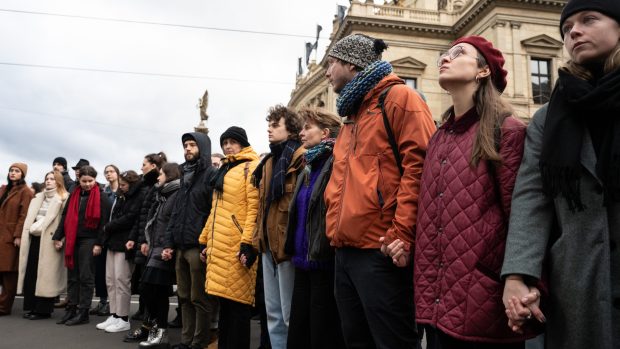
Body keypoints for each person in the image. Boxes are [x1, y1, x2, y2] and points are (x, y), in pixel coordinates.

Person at [501, 1, 620, 348]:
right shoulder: (547, 119)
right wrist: (517, 274)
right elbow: (532, 199)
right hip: (576, 284)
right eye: (566, 29)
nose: (574, 32)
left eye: (589, 19)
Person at [404, 35, 531, 348]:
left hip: (483, 299)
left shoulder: (507, 129)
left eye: (458, 53)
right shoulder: (438, 138)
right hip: (436, 302)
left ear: (483, 71)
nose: (445, 58)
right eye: (443, 55)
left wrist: (523, 280)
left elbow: (524, 217)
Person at [324, 33, 435, 348]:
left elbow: (419, 168)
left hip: (381, 250)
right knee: (356, 340)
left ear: (350, 62)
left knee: (393, 341)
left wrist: (401, 234)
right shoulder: (351, 115)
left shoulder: (400, 98)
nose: (328, 71)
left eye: (331, 63)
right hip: (345, 250)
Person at [284, 108, 345, 349]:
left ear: (325, 132)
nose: (301, 132)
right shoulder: (308, 165)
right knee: (299, 330)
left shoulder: (335, 163)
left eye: (308, 127)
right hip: (302, 262)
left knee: (321, 332)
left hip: (324, 263)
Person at [198, 126, 260, 349]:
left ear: (243, 143)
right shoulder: (226, 168)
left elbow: (254, 208)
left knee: (239, 305)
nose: (227, 146)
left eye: (233, 142)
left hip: (236, 243)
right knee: (225, 303)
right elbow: (216, 210)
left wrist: (247, 244)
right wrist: (205, 241)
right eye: (225, 142)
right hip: (220, 243)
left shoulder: (250, 166)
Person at [250, 105, 305, 349]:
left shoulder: (301, 158)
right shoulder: (269, 162)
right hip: (267, 245)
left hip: (288, 246)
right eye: (269, 125)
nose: (269, 130)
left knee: (290, 312)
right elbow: (262, 208)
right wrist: (255, 240)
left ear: (291, 129)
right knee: (272, 313)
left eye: (275, 125)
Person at [162, 132, 217, 349]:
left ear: (202, 147)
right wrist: (169, 243)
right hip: (181, 246)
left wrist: (206, 244)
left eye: (193, 145)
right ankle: (186, 341)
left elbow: (214, 213)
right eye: (186, 145)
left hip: (198, 247)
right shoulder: (184, 175)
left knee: (199, 298)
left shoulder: (211, 175)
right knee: (183, 297)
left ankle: (199, 341)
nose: (188, 149)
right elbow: (176, 213)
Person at [53, 165, 109, 326]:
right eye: (84, 181)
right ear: (79, 179)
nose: (87, 184)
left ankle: (83, 312)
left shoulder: (102, 197)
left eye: (90, 181)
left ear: (95, 179)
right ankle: (71, 309)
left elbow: (104, 223)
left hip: (90, 240)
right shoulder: (74, 195)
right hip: (73, 239)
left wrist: (99, 243)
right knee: (72, 276)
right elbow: (65, 216)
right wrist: (58, 236)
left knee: (86, 276)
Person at [138, 163, 181, 348]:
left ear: (170, 175)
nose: (158, 177)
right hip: (156, 246)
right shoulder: (163, 195)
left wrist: (168, 246)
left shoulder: (175, 194)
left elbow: (173, 223)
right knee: (150, 289)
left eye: (161, 174)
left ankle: (160, 330)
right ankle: (151, 326)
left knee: (154, 289)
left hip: (164, 249)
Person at [96, 170, 145, 333]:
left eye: (124, 185)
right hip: (112, 242)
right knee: (110, 280)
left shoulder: (138, 196)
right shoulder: (120, 196)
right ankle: (114, 314)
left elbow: (131, 218)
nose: (121, 187)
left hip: (126, 243)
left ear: (131, 184)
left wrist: (109, 226)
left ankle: (123, 318)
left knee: (122, 280)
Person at [17, 171, 69, 320]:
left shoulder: (64, 198)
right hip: (34, 238)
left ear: (58, 181)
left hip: (51, 241)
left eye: (52, 179)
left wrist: (61, 239)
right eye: (47, 179)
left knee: (46, 276)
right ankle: (32, 307)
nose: (48, 181)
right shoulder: (39, 197)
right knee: (32, 273)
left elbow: (65, 222)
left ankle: (43, 310)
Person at [127, 152, 167, 326]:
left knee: (151, 286)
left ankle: (152, 323)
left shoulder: (155, 186)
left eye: (144, 164)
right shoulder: (148, 185)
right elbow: (142, 216)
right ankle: (147, 320)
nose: (141, 167)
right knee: (145, 284)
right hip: (144, 240)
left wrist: (144, 240)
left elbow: (152, 218)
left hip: (150, 242)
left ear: (153, 166)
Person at [0, 163, 34, 315]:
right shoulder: (3, 189)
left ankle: (4, 307)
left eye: (17, 171)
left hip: (10, 236)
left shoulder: (25, 192)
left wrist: (18, 235)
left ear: (23, 174)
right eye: (11, 170)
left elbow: (24, 215)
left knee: (9, 273)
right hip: (0, 234)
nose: (13, 173)